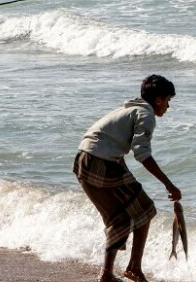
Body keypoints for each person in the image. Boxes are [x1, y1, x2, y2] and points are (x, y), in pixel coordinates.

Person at [73, 74, 180, 282]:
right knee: (146, 209)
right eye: (168, 101)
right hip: (99, 162)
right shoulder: (146, 114)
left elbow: (108, 141)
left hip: (83, 160)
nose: (168, 106)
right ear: (158, 100)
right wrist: (169, 184)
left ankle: (108, 274)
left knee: (121, 217)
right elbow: (143, 154)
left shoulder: (129, 109)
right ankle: (134, 268)